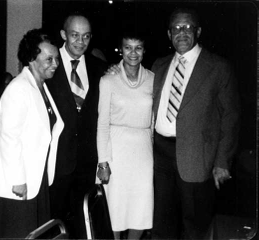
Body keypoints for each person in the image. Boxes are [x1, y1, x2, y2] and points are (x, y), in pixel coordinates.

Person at [151, 8, 240, 239]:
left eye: (188, 27)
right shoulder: (158, 66)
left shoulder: (218, 67)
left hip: (197, 156)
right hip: (159, 155)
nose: (182, 32)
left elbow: (231, 118)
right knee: (161, 221)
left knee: (195, 225)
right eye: (176, 28)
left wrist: (222, 162)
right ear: (169, 34)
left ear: (198, 31)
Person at [0, 28, 64, 238]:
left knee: (35, 232)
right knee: (18, 232)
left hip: (37, 177)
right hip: (20, 182)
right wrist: (18, 180)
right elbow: (8, 137)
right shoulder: (18, 89)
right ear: (32, 59)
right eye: (49, 59)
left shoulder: (41, 87)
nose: (55, 64)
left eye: (57, 59)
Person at [46, 12, 108, 238]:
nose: (81, 42)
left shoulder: (100, 67)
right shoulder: (48, 63)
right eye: (75, 35)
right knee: (54, 221)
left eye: (86, 36)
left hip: (86, 161)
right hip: (56, 160)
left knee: (83, 221)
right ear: (63, 34)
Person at [96, 31, 154, 239]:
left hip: (143, 151)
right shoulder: (108, 80)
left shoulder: (153, 79)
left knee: (141, 207)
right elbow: (102, 123)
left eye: (138, 47)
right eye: (128, 47)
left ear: (144, 50)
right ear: (121, 49)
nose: (133, 52)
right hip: (116, 150)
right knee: (115, 209)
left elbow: (154, 119)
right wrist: (103, 162)